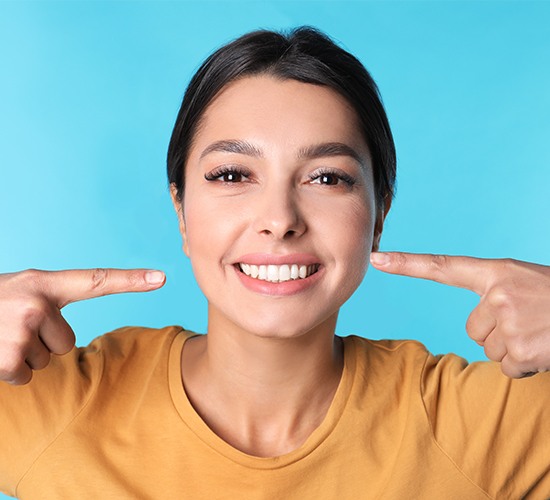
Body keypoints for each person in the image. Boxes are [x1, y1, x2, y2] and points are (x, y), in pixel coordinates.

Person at [0, 27, 549, 499]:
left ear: (379, 213)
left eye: (327, 177)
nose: (280, 218)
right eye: (233, 175)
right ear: (182, 211)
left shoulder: (478, 427)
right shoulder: (51, 402)